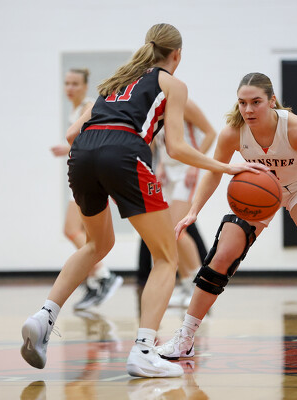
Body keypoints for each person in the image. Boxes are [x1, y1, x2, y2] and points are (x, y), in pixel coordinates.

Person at [20, 24, 267, 378]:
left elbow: (72, 133)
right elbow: (177, 148)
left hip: (82, 155)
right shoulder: (172, 84)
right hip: (124, 152)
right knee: (166, 256)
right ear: (176, 55)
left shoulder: (116, 81)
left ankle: (44, 316)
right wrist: (227, 167)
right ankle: (144, 350)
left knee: (95, 245)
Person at [157, 72, 297, 360]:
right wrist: (193, 212)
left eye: (256, 102)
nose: (248, 109)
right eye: (242, 103)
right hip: (259, 193)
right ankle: (185, 337)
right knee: (222, 257)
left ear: (272, 101)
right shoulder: (232, 133)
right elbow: (214, 172)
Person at [50, 68, 123, 310]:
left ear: (84, 86)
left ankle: (103, 275)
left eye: (75, 83)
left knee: (71, 229)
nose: (69, 88)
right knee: (82, 233)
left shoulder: (89, 106)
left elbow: (98, 140)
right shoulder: (74, 110)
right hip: (80, 175)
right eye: (67, 83)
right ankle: (94, 280)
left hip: (90, 175)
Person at [138, 98, 216, 307]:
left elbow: (210, 133)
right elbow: (162, 142)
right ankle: (186, 283)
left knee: (178, 229)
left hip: (185, 172)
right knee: (168, 232)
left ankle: (198, 285)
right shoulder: (155, 107)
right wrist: (160, 165)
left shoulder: (184, 104)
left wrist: (195, 165)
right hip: (168, 173)